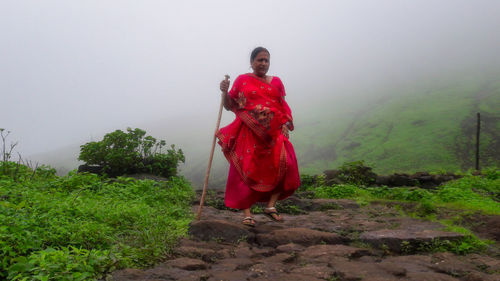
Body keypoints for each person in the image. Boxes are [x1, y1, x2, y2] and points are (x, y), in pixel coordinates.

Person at [217, 47, 300, 227]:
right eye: (260, 60)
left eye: (266, 61)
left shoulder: (276, 82)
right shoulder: (242, 80)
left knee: (287, 163)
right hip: (249, 130)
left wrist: (286, 124)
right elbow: (230, 104)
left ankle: (271, 206)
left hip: (273, 132)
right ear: (252, 62)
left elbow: (282, 105)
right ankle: (247, 213)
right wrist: (224, 91)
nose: (263, 64)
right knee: (246, 168)